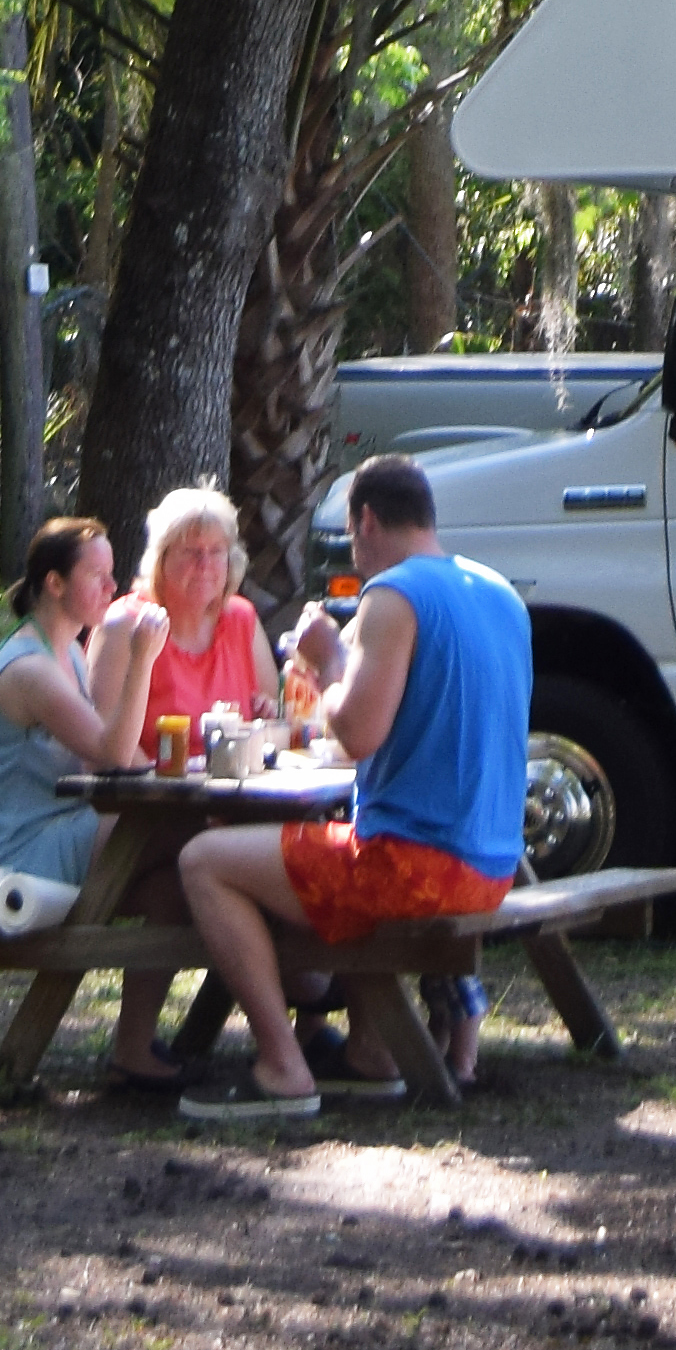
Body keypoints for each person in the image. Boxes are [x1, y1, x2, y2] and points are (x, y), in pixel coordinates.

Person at [179, 450, 532, 1103]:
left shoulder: (393, 594)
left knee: (205, 860)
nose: (353, 556)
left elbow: (358, 732)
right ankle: (371, 1051)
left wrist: (329, 655)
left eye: (350, 538)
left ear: (367, 521)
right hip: (493, 862)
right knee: (334, 831)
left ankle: (283, 1066)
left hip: (418, 869)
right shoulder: (498, 592)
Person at [0, 518, 327, 1117]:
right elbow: (109, 753)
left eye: (113, 575)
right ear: (54, 584)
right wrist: (142, 659)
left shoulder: (67, 654)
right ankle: (309, 983)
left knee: (174, 884)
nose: (111, 588)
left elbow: (119, 754)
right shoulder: (31, 668)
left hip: (63, 829)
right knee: (197, 836)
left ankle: (134, 1048)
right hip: (16, 852)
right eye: (97, 577)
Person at [135, 482, 275, 750]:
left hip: (233, 783)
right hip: (150, 788)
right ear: (160, 560)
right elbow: (106, 748)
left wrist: (265, 715)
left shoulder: (241, 618)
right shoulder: (130, 623)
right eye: (190, 551)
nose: (204, 565)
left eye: (216, 551)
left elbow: (269, 715)